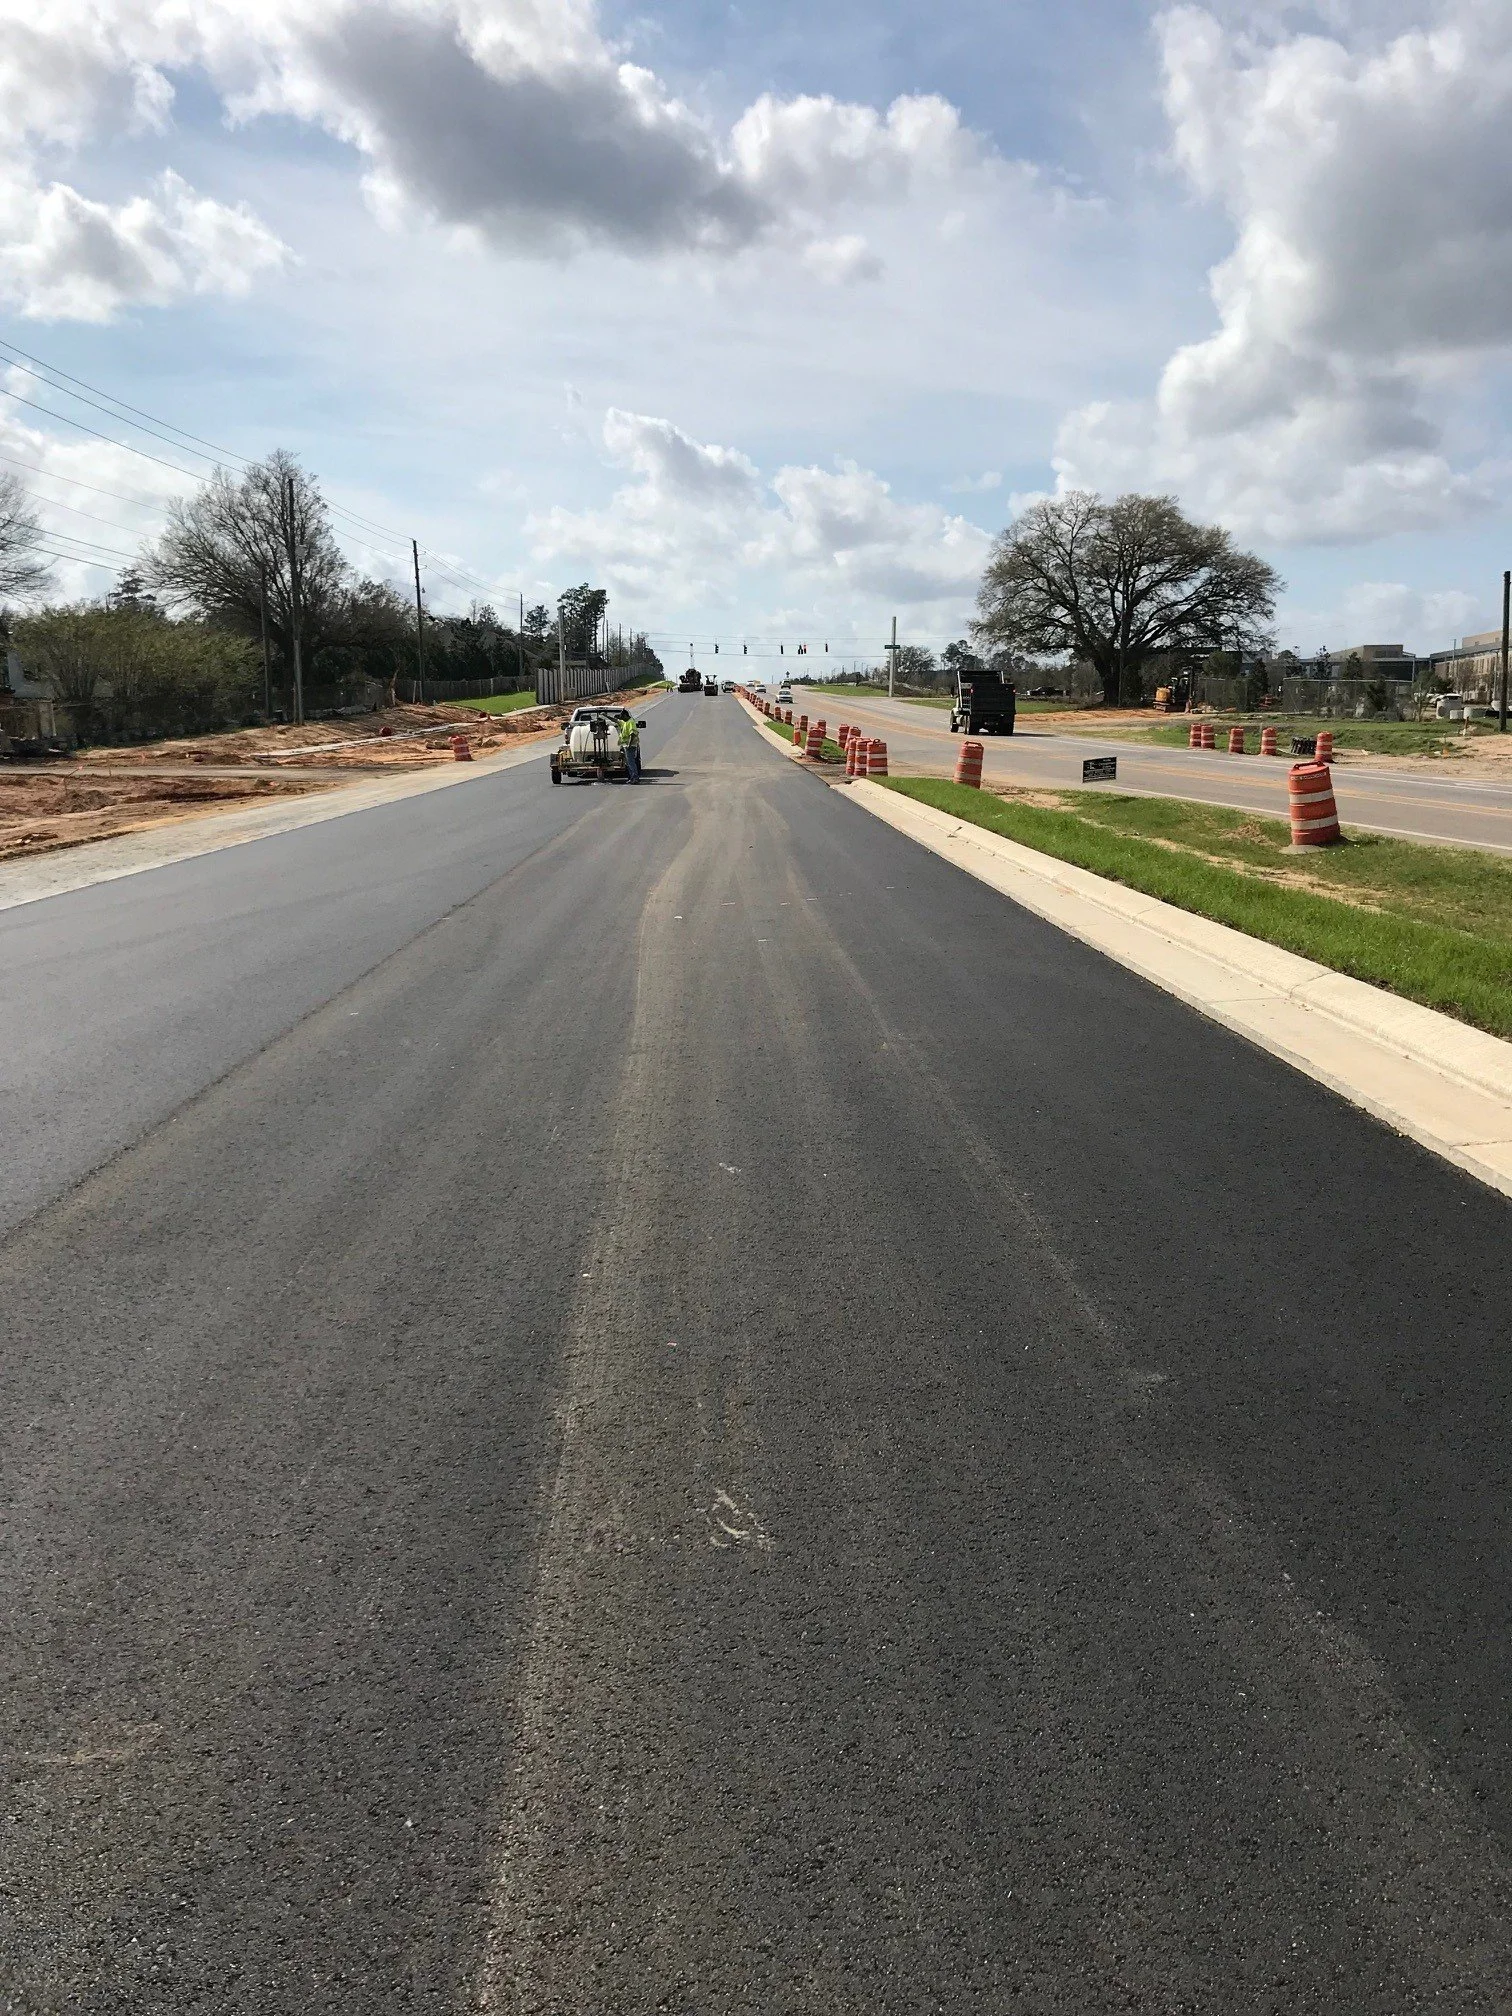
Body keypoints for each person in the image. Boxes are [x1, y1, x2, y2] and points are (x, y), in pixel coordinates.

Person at [618, 712, 641, 783]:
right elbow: (616, 721)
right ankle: (632, 778)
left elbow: (632, 734)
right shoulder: (625, 722)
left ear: (625, 715)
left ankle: (635, 778)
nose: (621, 719)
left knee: (631, 762)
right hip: (626, 745)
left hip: (630, 746)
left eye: (622, 717)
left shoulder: (630, 722)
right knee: (628, 763)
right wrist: (606, 716)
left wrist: (629, 744)